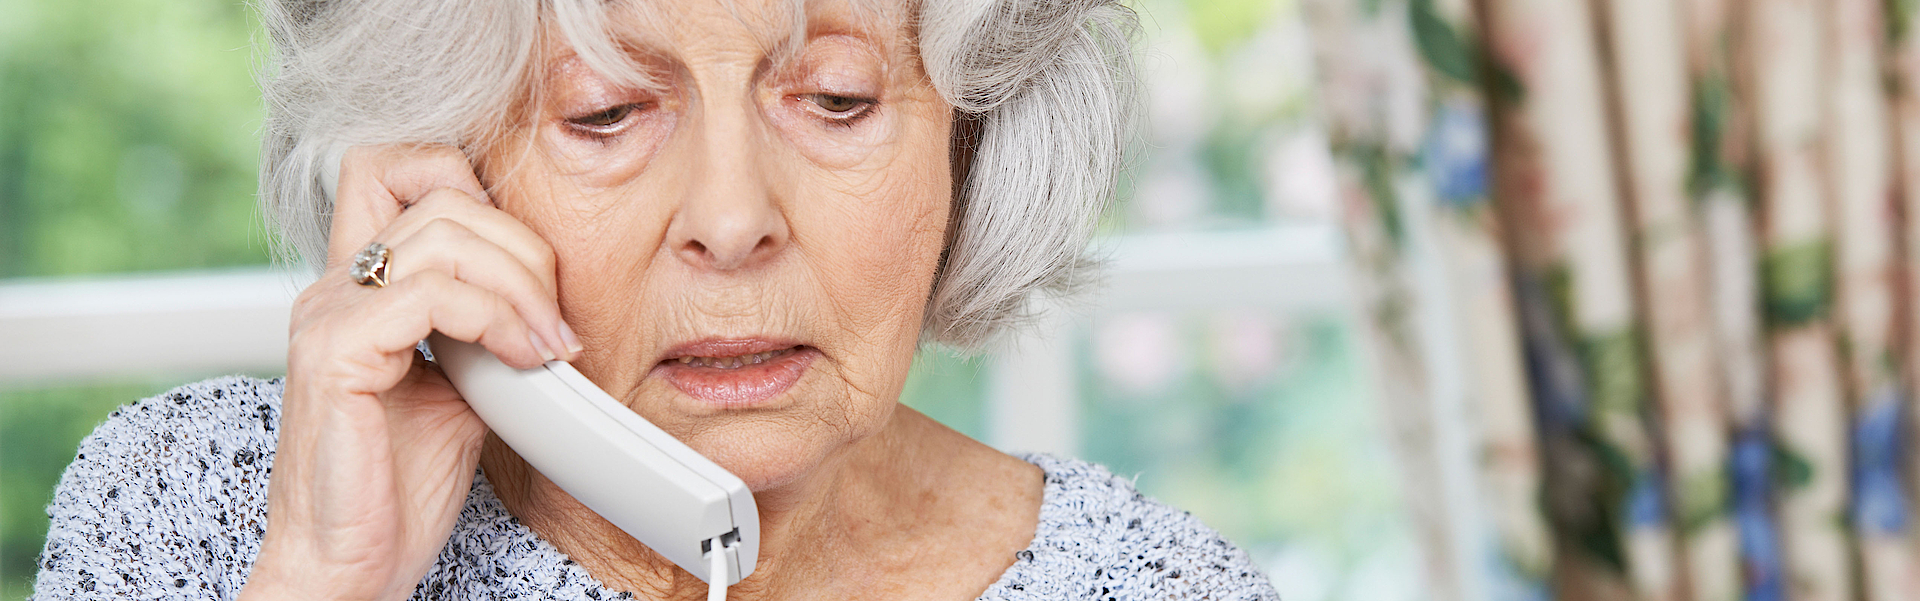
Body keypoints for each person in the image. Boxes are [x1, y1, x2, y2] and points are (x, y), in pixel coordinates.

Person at [32, 0, 1280, 599]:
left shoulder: (1160, 584)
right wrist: (327, 574)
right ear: (438, 168)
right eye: (606, 112)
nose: (732, 219)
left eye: (837, 101)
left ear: (969, 146)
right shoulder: (189, 513)